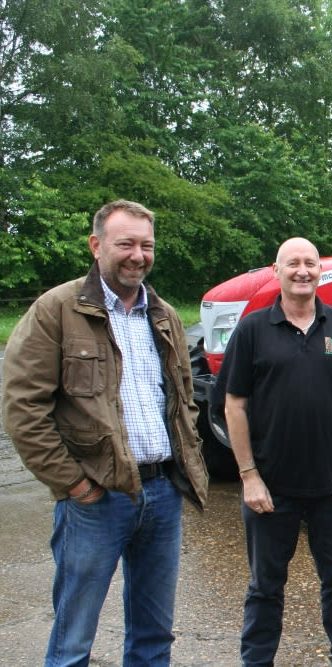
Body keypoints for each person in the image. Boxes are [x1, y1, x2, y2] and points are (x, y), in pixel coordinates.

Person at [1, 199, 209, 665]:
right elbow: (23, 408)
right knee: (74, 639)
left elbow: (183, 399)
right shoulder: (56, 310)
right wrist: (74, 484)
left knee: (155, 637)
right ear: (97, 246)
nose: (138, 255)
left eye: (146, 245)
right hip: (95, 499)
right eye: (126, 244)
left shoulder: (165, 315)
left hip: (161, 494)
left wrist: (184, 458)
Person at [219, 237, 332, 666]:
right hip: (271, 489)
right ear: (277, 270)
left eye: (310, 263)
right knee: (265, 587)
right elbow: (235, 405)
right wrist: (249, 476)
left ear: (320, 270)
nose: (302, 271)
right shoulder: (252, 330)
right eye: (293, 264)